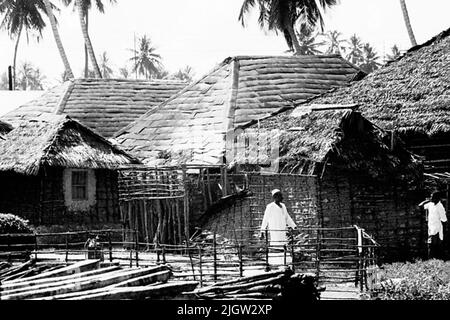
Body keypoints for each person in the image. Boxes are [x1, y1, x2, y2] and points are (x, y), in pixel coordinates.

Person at [260, 189, 297, 267]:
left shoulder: (283, 206)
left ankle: (285, 262)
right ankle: (275, 263)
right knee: (276, 245)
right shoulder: (270, 207)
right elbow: (265, 219)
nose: (282, 197)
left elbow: (287, 218)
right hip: (275, 229)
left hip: (282, 230)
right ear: (275, 197)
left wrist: (294, 226)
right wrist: (262, 231)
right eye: (280, 196)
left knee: (284, 245)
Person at [419, 192, 448, 259]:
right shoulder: (430, 204)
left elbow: (444, 219)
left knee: (432, 245)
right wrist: (426, 200)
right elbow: (420, 206)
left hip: (437, 229)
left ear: (437, 198)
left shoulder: (440, 207)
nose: (431, 198)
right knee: (431, 245)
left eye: (433, 197)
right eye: (431, 196)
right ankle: (432, 260)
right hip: (430, 228)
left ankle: (434, 260)